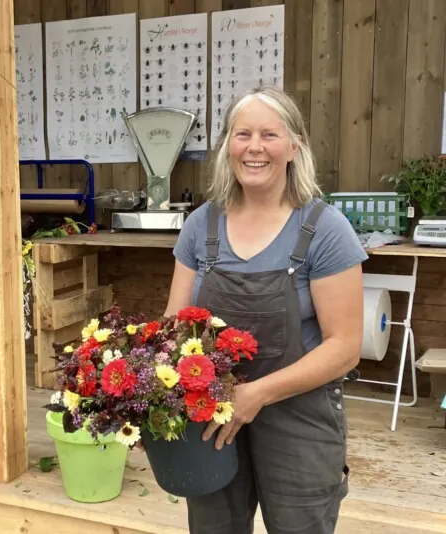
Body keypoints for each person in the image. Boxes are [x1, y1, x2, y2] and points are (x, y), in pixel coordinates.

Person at [164, 86, 368, 533]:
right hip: (212, 414)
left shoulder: (324, 229)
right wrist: (158, 407)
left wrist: (255, 395)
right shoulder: (203, 225)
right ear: (228, 147)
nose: (254, 147)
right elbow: (173, 330)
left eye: (269, 135)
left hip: (300, 415)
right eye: (243, 134)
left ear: (294, 147)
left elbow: (344, 347)